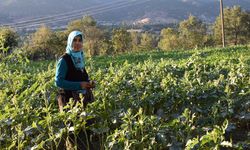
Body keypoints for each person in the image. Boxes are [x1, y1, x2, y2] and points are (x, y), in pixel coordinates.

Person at [55, 30, 96, 149]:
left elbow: (81, 77)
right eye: (74, 40)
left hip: (81, 100)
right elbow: (58, 82)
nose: (77, 43)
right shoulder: (64, 60)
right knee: (74, 134)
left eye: (80, 40)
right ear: (70, 42)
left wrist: (89, 83)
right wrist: (80, 85)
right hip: (69, 101)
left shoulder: (79, 57)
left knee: (85, 131)